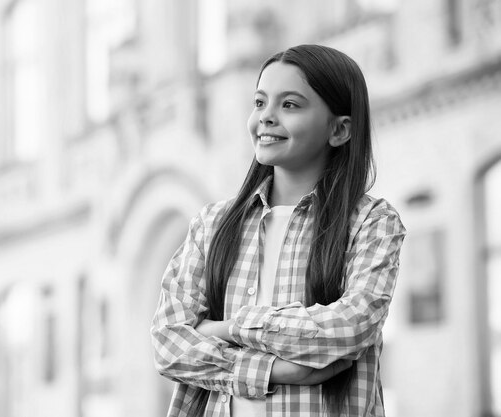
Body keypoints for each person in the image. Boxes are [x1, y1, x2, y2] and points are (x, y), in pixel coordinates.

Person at [150, 44, 406, 417]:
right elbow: (167, 341)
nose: (266, 117)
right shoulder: (212, 225)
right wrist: (272, 370)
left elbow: (349, 327)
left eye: (289, 105)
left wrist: (226, 328)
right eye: (259, 103)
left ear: (339, 130)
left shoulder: (372, 223)